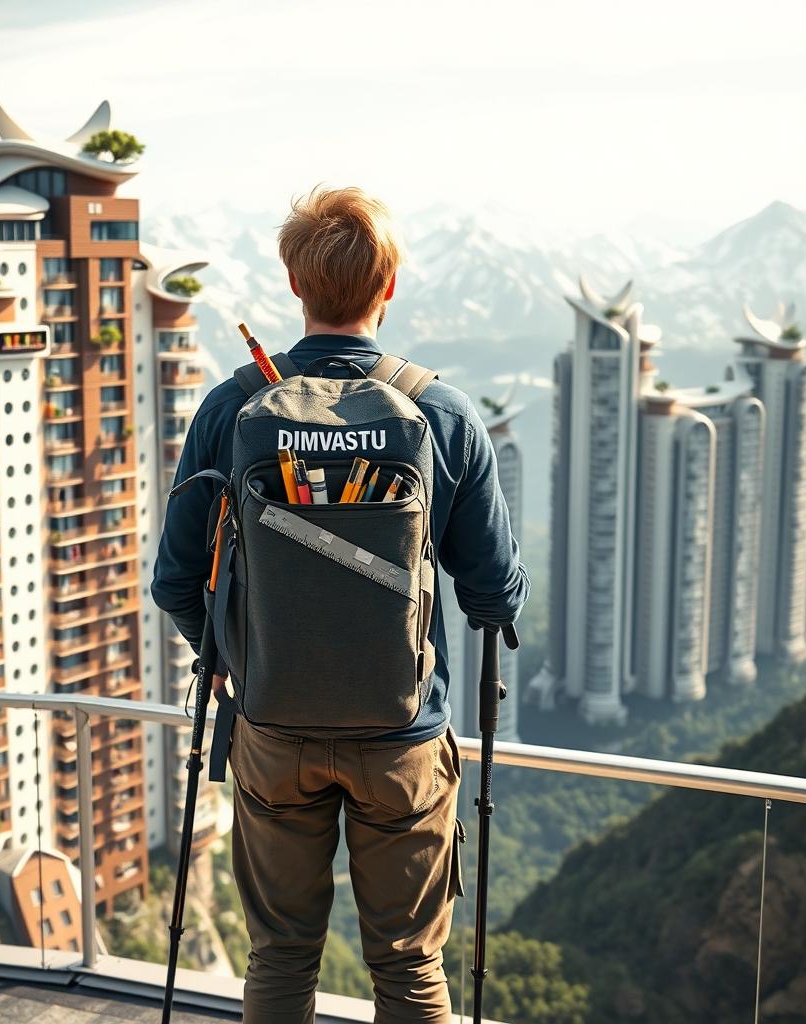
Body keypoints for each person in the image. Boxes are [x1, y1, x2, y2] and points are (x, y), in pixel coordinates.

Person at [152, 186, 530, 1024]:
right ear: (387, 288)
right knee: (407, 968)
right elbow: (494, 594)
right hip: (401, 739)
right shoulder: (442, 413)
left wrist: (229, 660)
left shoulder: (233, 407)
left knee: (280, 958)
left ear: (295, 284)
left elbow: (173, 580)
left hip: (272, 729)